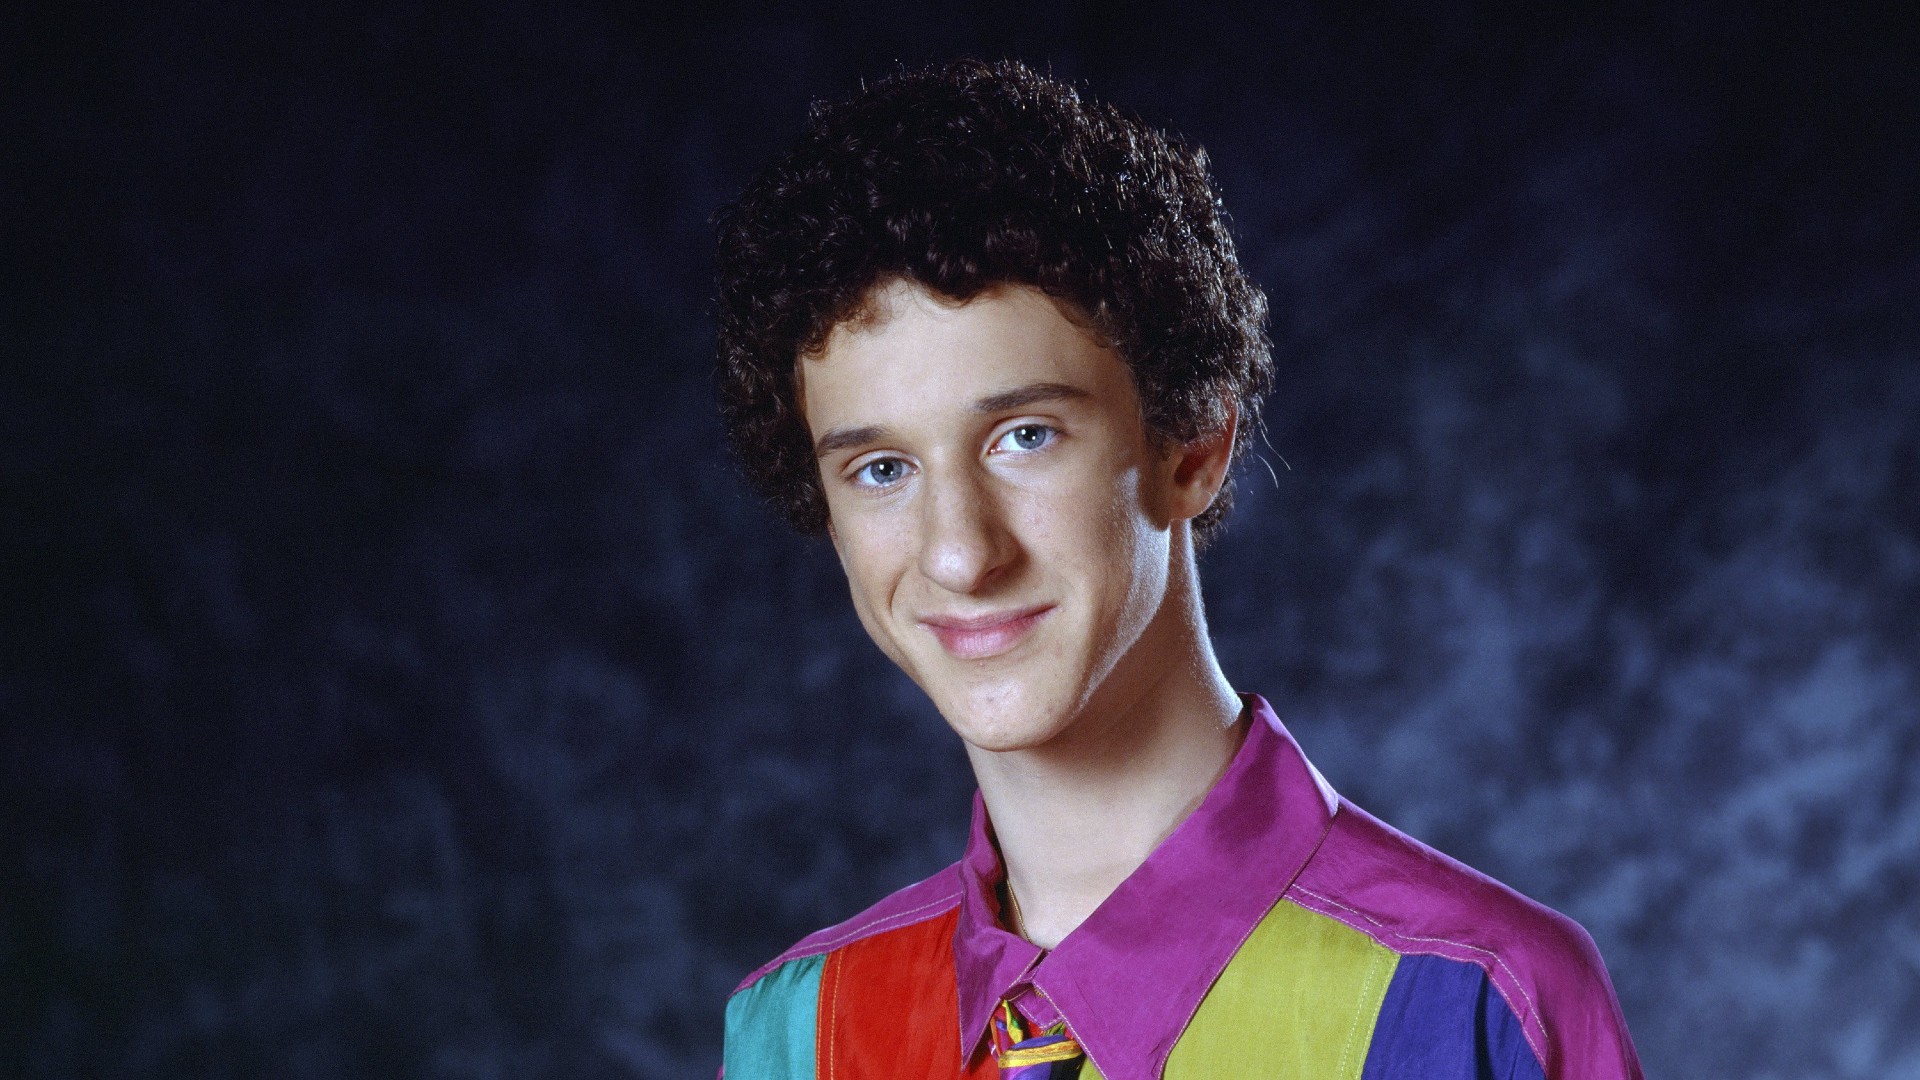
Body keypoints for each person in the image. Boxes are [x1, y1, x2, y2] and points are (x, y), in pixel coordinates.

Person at [712, 59, 1642, 1080]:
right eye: (881, 469)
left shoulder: (1478, 1003)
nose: (959, 553)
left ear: (1192, 448)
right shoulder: (797, 1034)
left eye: (1025, 437)